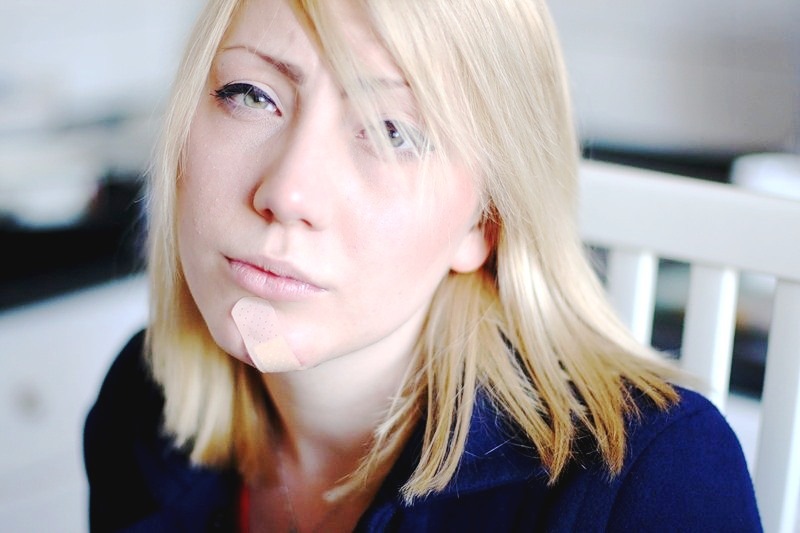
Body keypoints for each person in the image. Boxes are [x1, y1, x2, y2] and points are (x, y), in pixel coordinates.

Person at [83, 0, 762, 531]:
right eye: (251, 94)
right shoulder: (143, 404)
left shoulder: (650, 477)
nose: (287, 193)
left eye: (392, 132)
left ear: (484, 224)